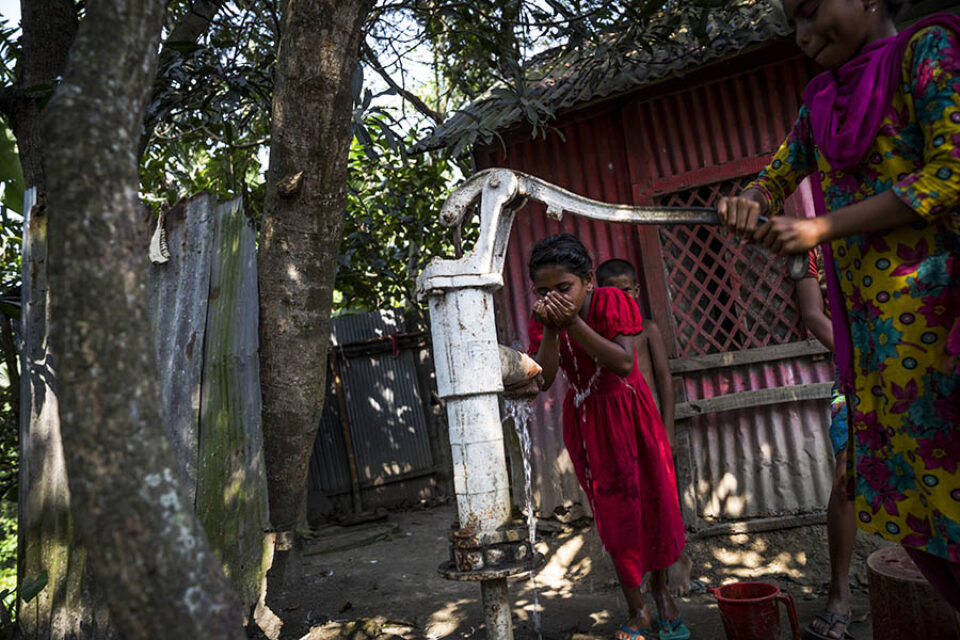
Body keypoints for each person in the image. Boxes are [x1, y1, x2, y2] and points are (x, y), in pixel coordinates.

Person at [717, 0, 960, 613]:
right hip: (876, 350)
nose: (801, 34)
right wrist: (747, 199)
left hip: (942, 322)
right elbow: (775, 176)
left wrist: (823, 226)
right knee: (915, 503)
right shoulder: (818, 103)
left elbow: (952, 173)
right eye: (791, 23)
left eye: (810, 10)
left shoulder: (926, 53)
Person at [526, 233, 689, 640]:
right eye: (544, 292)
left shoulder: (613, 303)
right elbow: (544, 379)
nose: (555, 298)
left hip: (630, 413)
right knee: (615, 515)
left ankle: (662, 592)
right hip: (587, 423)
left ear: (589, 282)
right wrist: (550, 327)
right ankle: (637, 610)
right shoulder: (545, 317)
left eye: (564, 288)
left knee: (655, 505)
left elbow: (620, 362)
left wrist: (572, 322)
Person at [596, 258, 695, 597]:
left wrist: (667, 428)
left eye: (627, 291)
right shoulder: (599, 337)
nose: (622, 298)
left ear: (637, 291)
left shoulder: (648, 330)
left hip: (651, 428)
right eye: (613, 292)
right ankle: (642, 564)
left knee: (665, 497)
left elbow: (665, 380)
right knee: (632, 500)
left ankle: (678, 559)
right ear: (599, 295)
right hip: (620, 434)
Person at [796, 250, 855, 639]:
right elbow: (813, 314)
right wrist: (863, 359)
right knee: (847, 475)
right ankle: (840, 591)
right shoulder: (809, 247)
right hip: (856, 369)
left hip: (922, 357)